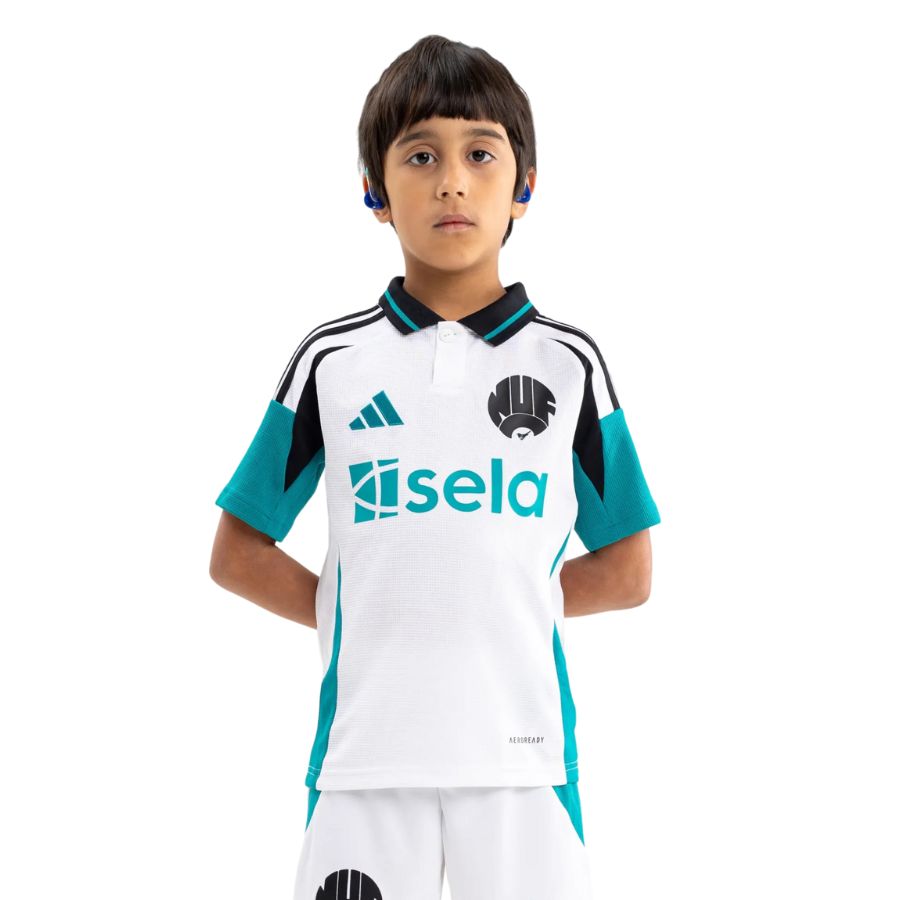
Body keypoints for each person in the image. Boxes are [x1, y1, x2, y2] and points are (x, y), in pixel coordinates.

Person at [209, 33, 661, 900]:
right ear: (375, 193)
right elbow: (238, 552)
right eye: (420, 156)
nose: (452, 180)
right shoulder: (331, 362)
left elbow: (628, 569)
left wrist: (497, 596)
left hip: (524, 762)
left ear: (524, 186)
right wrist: (366, 610)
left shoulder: (569, 364)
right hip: (364, 758)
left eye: (480, 154)